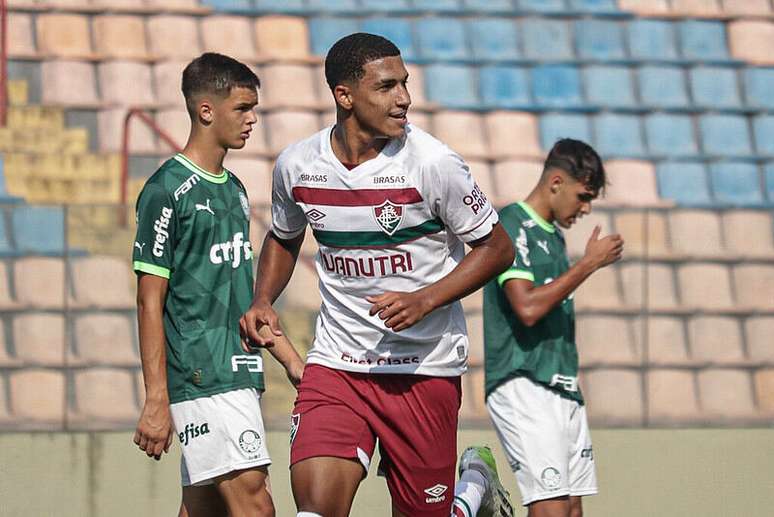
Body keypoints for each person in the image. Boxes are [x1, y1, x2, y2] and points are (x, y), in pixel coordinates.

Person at [239, 33, 514, 517]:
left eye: (404, 84)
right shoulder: (299, 165)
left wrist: (425, 299)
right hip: (338, 364)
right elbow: (284, 236)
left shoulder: (432, 163)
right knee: (315, 510)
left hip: (423, 368)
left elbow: (497, 248)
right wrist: (263, 299)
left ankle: (473, 490)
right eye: (387, 86)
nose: (404, 97)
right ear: (344, 96)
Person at [131, 52, 304, 517]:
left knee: (206, 509)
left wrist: (289, 359)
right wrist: (156, 397)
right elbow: (150, 302)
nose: (252, 120)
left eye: (255, 109)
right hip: (203, 374)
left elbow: (242, 298)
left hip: (238, 369)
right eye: (243, 108)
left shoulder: (234, 189)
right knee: (255, 503)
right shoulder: (166, 191)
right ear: (206, 110)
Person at [482, 139, 624, 517]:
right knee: (552, 509)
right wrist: (587, 265)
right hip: (523, 381)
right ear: (557, 182)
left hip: (562, 386)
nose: (587, 208)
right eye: (583, 196)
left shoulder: (554, 237)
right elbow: (526, 307)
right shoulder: (511, 224)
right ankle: (474, 487)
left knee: (572, 509)